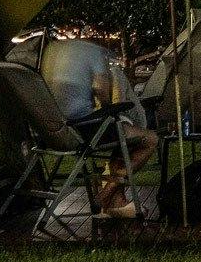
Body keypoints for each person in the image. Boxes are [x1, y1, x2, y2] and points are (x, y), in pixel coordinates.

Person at [38, 34, 155, 216]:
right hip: (82, 128)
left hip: (50, 132)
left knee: (121, 138)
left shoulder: (52, 50)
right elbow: (101, 89)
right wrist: (109, 109)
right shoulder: (94, 51)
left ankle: (117, 204)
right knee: (149, 139)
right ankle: (106, 193)